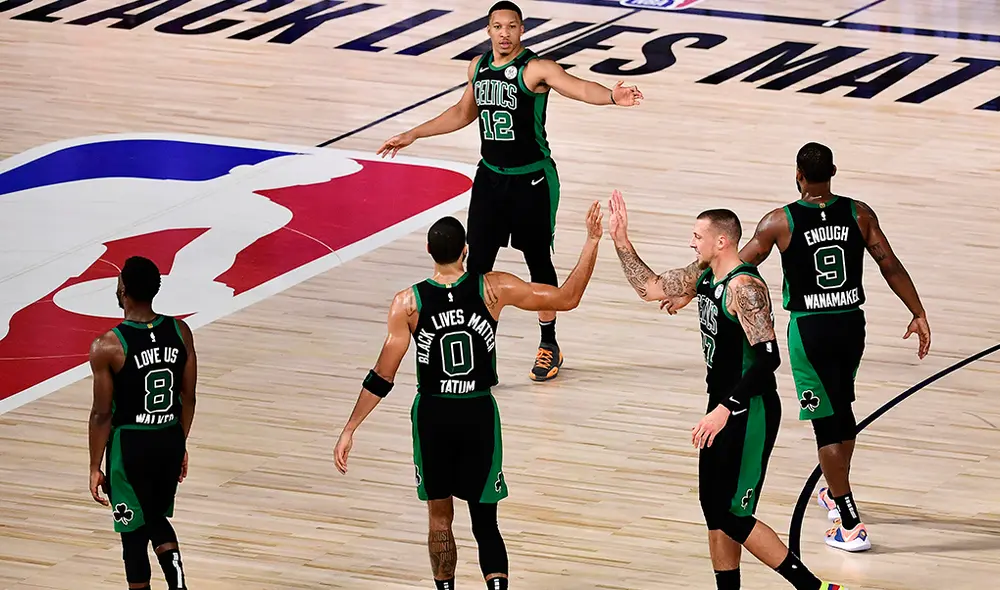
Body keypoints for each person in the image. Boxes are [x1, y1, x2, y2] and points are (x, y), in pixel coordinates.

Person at [334, 201, 604, 590]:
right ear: (465, 251)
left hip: (432, 416)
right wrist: (592, 241)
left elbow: (382, 375)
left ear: (429, 253)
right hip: (477, 412)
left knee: (439, 519)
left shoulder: (407, 303)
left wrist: (350, 428)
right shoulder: (493, 288)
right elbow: (567, 298)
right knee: (485, 522)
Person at [377, 0, 641, 382]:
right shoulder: (478, 67)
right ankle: (481, 347)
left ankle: (549, 344)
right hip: (490, 178)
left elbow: (578, 87)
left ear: (522, 30)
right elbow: (463, 112)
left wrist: (612, 97)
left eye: (512, 26)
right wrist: (414, 132)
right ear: (488, 30)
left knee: (538, 262)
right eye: (498, 27)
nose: (504, 33)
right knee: (477, 266)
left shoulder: (536, 68)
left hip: (532, 180)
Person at [608, 190, 845, 590]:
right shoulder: (704, 276)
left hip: (748, 407)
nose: (691, 242)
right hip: (721, 405)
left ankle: (816, 588)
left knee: (732, 512)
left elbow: (769, 358)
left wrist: (726, 408)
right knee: (713, 510)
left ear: (722, 241)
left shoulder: (745, 288)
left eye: (697, 236)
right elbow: (650, 288)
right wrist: (621, 240)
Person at [739, 142, 931, 552]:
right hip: (851, 325)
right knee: (842, 412)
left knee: (826, 426)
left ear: (798, 175)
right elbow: (889, 263)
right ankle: (835, 490)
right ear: (834, 172)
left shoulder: (779, 222)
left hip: (810, 330)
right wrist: (917, 311)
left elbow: (739, 265)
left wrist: (701, 289)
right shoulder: (859, 213)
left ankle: (849, 522)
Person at [88, 256, 198, 590]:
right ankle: (177, 584)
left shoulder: (107, 345)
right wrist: (180, 442)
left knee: (132, 534)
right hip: (167, 438)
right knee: (155, 518)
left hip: (130, 447)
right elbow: (188, 397)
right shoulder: (180, 330)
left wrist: (95, 465)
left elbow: (102, 413)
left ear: (123, 290)